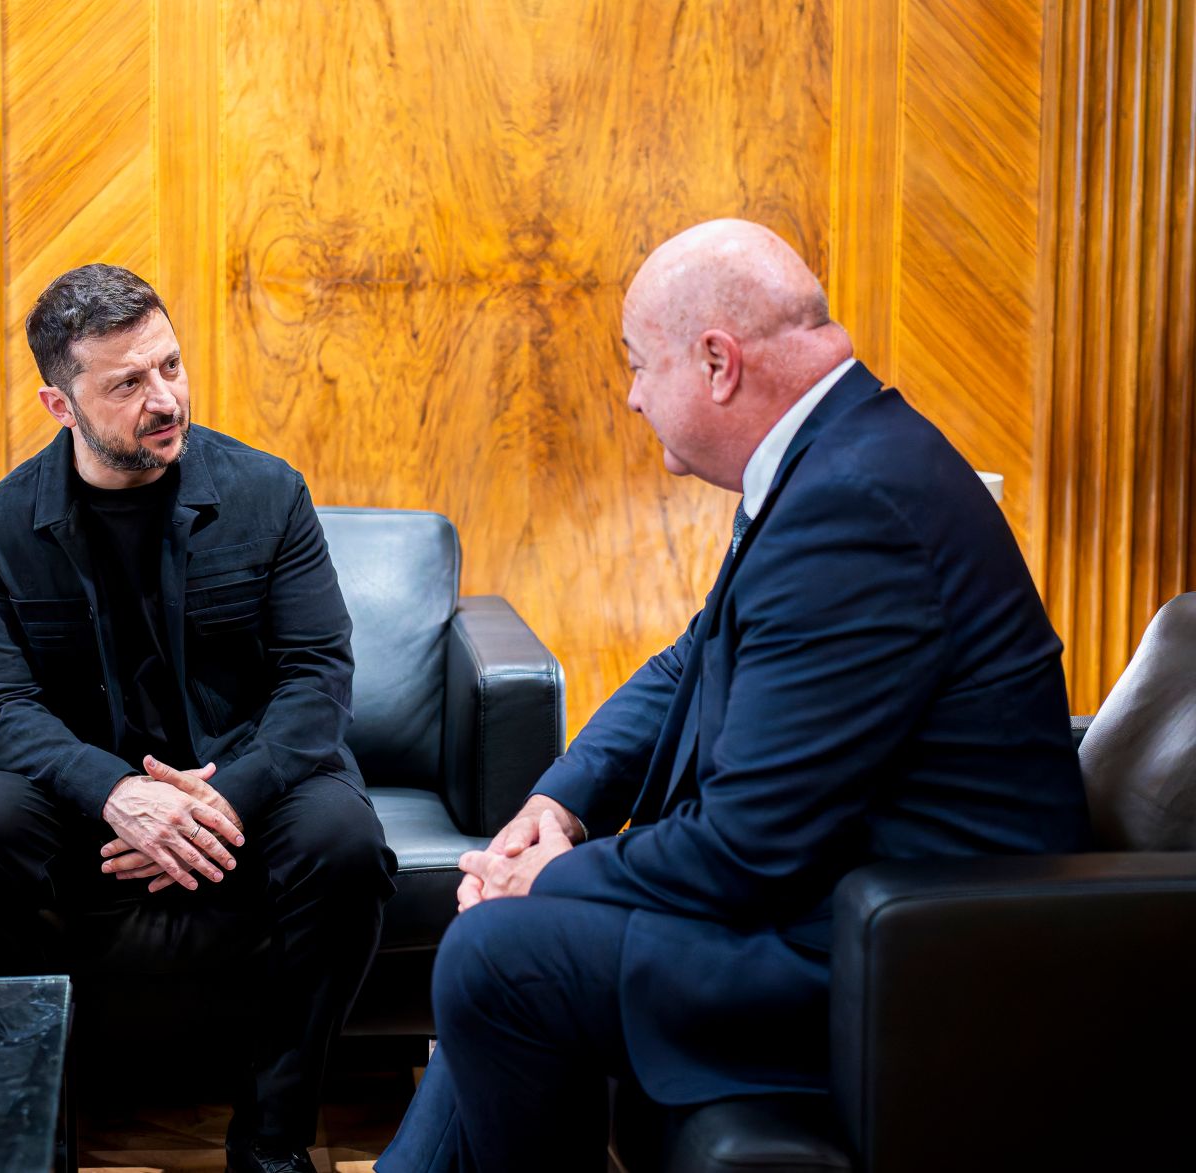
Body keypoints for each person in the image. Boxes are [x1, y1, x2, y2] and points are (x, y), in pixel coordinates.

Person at [378, 220, 1091, 1171]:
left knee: (496, 953)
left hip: (896, 957)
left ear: (717, 363)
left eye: (638, 366)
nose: (632, 398)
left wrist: (541, 878)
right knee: (501, 937)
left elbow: (745, 847)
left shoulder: (853, 505)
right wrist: (559, 803)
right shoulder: (839, 456)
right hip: (847, 904)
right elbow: (691, 656)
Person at [0, 264, 395, 1173]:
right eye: (128, 383)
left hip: (250, 777)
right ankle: (29, 1147)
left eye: (170, 365)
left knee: (345, 842)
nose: (165, 397)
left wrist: (219, 800)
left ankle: (270, 1141)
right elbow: (0, 706)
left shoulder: (269, 493)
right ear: (62, 404)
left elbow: (317, 678)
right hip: (86, 798)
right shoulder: (0, 525)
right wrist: (116, 793)